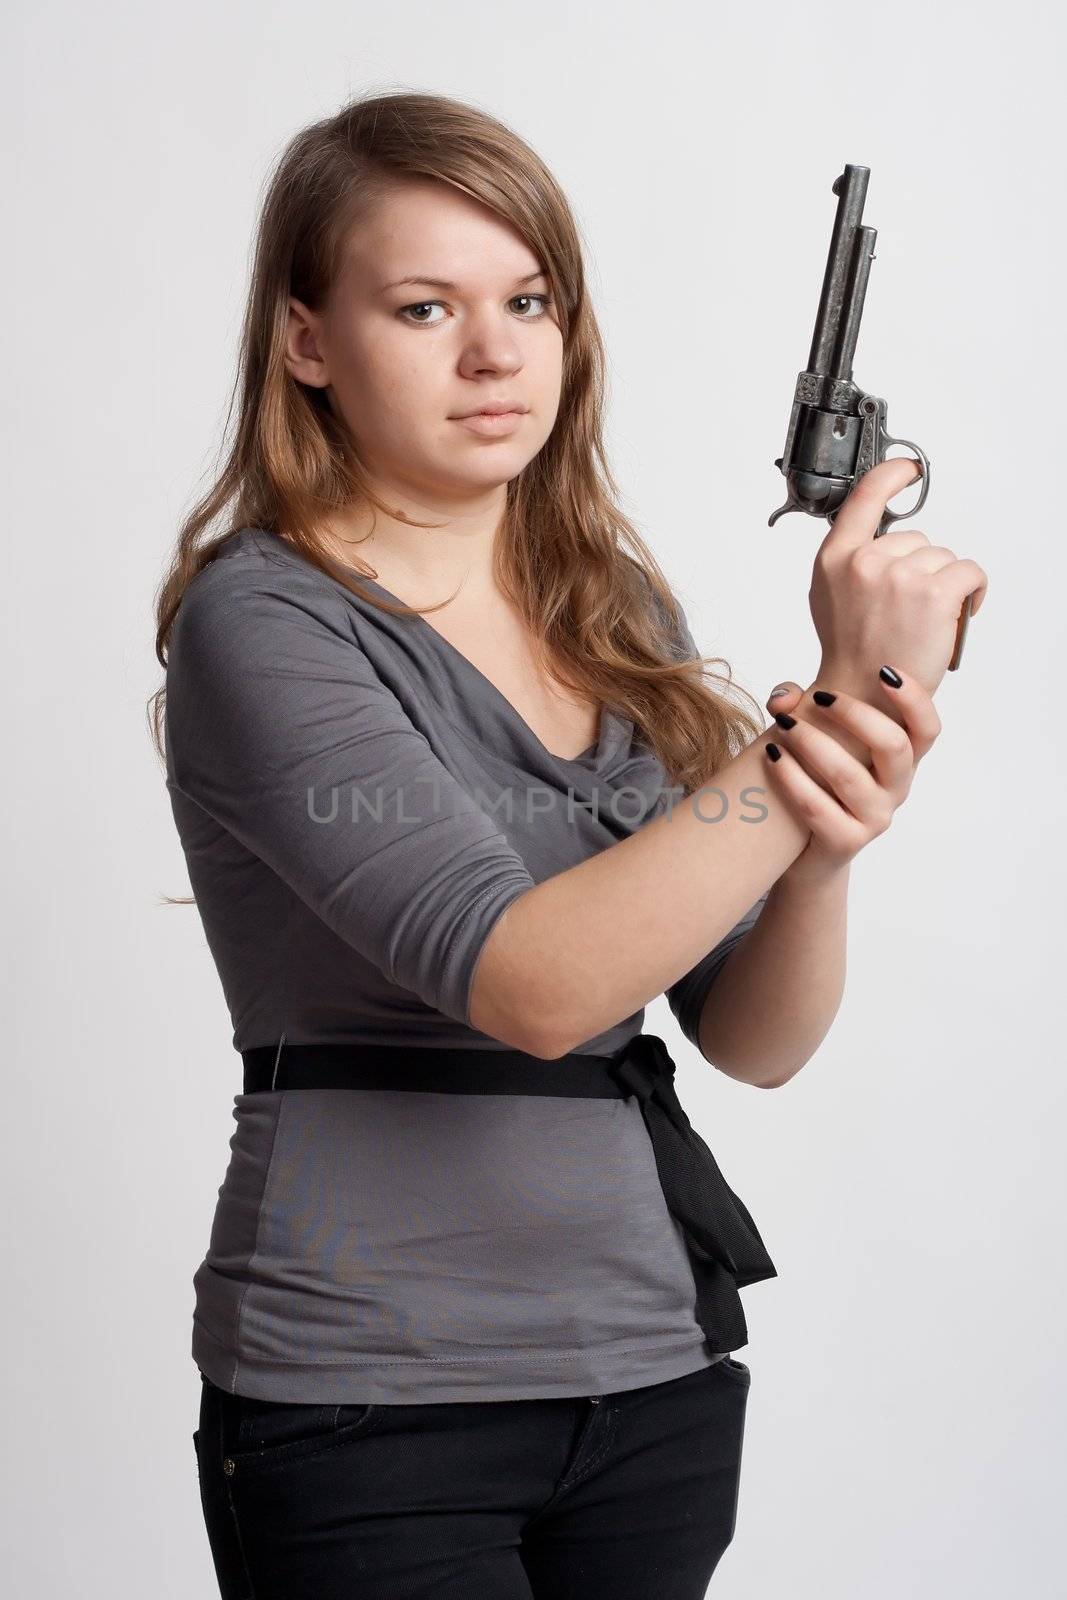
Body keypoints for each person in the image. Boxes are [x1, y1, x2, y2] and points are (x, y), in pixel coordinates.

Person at [151, 90, 986, 1600]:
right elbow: (531, 985)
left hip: (650, 1378)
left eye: (529, 300)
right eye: (425, 306)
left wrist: (832, 825)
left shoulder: (618, 619)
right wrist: (814, 732)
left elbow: (754, 1039)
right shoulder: (263, 623)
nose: (496, 351)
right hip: (369, 1404)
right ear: (308, 341)